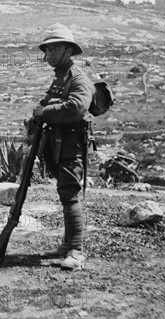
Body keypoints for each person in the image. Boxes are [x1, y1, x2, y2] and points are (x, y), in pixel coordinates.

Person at [33, 25, 95, 271]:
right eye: (47, 49)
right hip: (58, 144)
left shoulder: (78, 77)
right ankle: (67, 243)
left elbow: (76, 108)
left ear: (69, 50)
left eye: (56, 47)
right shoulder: (60, 76)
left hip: (72, 145)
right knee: (65, 193)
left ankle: (76, 251)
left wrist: (44, 112)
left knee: (70, 195)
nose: (50, 53)